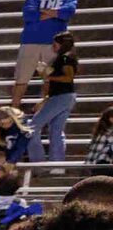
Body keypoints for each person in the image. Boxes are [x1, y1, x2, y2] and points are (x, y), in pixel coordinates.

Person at [16, 0, 81, 108]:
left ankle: (45, 110)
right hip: (31, 41)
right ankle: (14, 109)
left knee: (50, 79)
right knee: (22, 78)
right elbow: (28, 15)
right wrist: (56, 13)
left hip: (54, 43)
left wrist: (43, 12)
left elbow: (68, 11)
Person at [30, 32, 82, 161]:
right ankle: (57, 166)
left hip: (61, 97)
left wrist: (49, 76)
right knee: (56, 131)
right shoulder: (64, 58)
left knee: (31, 129)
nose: (53, 46)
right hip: (63, 96)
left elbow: (68, 77)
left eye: (55, 44)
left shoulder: (65, 58)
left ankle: (38, 164)